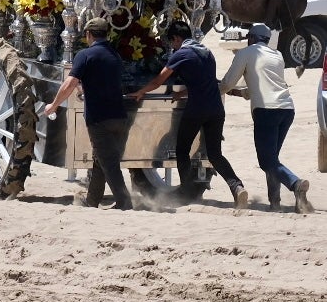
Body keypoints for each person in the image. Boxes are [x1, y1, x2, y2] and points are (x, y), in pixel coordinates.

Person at [128, 20, 248, 209]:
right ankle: (237, 187)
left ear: (176, 38)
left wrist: (142, 92)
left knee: (182, 150)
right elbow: (204, 82)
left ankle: (184, 192)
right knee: (215, 154)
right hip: (216, 109)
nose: (173, 47)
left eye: (172, 43)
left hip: (197, 109)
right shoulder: (207, 53)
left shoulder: (182, 54)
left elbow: (160, 79)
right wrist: (181, 93)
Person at [219, 23, 314, 213]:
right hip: (287, 109)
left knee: (266, 161)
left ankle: (295, 184)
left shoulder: (245, 53)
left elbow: (228, 82)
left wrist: (217, 90)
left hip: (266, 111)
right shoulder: (277, 55)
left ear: (251, 38)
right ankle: (275, 202)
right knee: (272, 159)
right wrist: (237, 93)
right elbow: (261, 85)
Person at [43, 17, 133, 210]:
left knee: (108, 162)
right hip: (120, 116)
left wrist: (54, 105)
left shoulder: (85, 55)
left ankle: (125, 202)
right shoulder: (114, 55)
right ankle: (92, 200)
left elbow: (69, 83)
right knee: (101, 159)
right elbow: (106, 82)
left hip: (99, 118)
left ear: (89, 34)